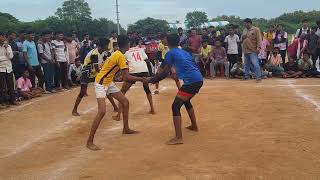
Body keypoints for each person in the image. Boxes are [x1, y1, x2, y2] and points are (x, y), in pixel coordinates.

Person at [86, 35, 146, 151]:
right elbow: (126, 77)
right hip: (101, 83)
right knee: (102, 111)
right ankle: (89, 141)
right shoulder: (120, 56)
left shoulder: (118, 54)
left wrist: (115, 76)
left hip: (108, 82)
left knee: (125, 102)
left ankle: (126, 128)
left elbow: (112, 69)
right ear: (127, 44)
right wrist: (141, 79)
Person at [147, 34, 203, 145]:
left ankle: (178, 138)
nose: (163, 40)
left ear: (168, 41)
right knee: (186, 101)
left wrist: (152, 80)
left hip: (191, 81)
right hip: (198, 78)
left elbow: (165, 72)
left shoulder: (170, 53)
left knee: (175, 106)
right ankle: (194, 126)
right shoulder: (183, 51)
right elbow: (192, 64)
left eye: (165, 39)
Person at [72, 38, 118, 116]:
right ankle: (74, 110)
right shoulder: (94, 53)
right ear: (101, 46)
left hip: (95, 72)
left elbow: (106, 61)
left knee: (105, 88)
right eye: (106, 46)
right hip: (87, 72)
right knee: (83, 92)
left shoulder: (104, 52)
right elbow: (96, 68)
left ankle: (115, 107)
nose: (107, 47)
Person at [112, 42, 156, 121]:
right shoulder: (140, 49)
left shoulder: (126, 52)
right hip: (143, 69)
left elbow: (124, 65)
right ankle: (152, 109)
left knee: (122, 92)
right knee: (147, 89)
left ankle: (118, 115)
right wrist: (149, 73)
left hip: (134, 70)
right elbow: (147, 60)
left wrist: (121, 75)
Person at [242, 18, 262, 82]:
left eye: (245, 23)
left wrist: (258, 47)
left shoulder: (256, 29)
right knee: (246, 64)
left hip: (253, 50)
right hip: (245, 50)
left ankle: (258, 77)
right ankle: (246, 76)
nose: (244, 25)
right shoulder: (244, 30)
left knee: (255, 63)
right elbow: (242, 39)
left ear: (248, 23)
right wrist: (243, 37)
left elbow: (259, 39)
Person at [0, 32, 16, 107]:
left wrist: (6, 47)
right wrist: (5, 58)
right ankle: (3, 102)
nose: (3, 38)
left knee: (11, 85)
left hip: (9, 68)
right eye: (2, 37)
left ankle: (12, 100)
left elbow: (11, 56)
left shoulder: (8, 46)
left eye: (4, 37)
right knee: (2, 87)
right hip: (1, 69)